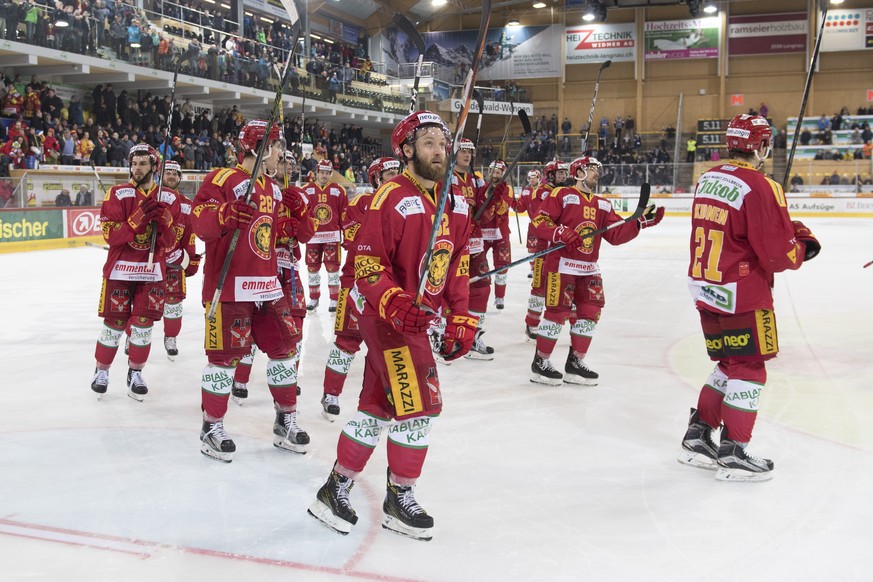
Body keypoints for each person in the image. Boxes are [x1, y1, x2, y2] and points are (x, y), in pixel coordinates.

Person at [308, 111, 475, 541]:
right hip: (388, 321)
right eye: (429, 143)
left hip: (417, 321)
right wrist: (395, 303)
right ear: (405, 151)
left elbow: (456, 266)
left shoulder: (455, 201)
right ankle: (400, 496)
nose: (440, 150)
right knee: (421, 407)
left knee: (378, 407)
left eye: (443, 143)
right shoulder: (391, 197)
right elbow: (366, 265)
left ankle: (335, 488)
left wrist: (460, 316)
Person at [678, 114, 820, 482]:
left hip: (706, 287)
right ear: (759, 145)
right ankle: (734, 452)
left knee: (728, 362)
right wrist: (801, 246)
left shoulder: (708, 178)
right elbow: (777, 255)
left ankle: (697, 436)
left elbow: (739, 226)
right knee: (750, 366)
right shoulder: (761, 186)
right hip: (742, 292)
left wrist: (780, 221)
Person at [191, 120, 309, 463]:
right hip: (228, 289)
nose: (280, 157)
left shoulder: (272, 188)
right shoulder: (222, 179)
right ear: (259, 148)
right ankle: (211, 426)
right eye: (275, 149)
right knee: (224, 359)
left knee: (286, 350)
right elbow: (200, 222)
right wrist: (224, 214)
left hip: (267, 286)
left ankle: (285, 419)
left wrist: (294, 219)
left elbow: (269, 239)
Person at [529, 156, 665, 385]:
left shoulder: (603, 203)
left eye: (598, 170)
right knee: (557, 313)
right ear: (578, 172)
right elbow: (539, 221)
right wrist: (561, 233)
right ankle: (541, 361)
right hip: (561, 265)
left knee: (591, 312)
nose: (597, 173)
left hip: (589, 267)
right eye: (592, 169)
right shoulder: (560, 195)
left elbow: (615, 235)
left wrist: (640, 222)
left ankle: (575, 362)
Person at [89, 144, 179, 401]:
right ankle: (102, 370)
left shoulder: (166, 198)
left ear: (154, 166)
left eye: (142, 163)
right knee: (113, 325)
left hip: (151, 273)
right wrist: (136, 219)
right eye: (134, 163)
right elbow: (111, 236)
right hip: (120, 270)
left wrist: (165, 225)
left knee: (142, 327)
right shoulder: (117, 194)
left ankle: (136, 372)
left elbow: (171, 242)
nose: (137, 168)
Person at [230, 151, 317, 405]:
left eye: (290, 163)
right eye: (281, 161)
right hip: (260, 267)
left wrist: (300, 213)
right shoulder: (254, 188)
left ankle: (290, 376)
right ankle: (240, 379)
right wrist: (280, 230)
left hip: (288, 267)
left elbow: (307, 234)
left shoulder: (298, 194)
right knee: (252, 324)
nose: (286, 167)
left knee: (295, 324)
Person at [320, 156, 400, 422]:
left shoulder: (406, 204)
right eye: (390, 174)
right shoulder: (360, 204)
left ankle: (387, 397)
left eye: (398, 172)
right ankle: (331, 393)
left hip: (391, 290)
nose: (396, 177)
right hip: (356, 285)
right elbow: (360, 244)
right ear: (377, 178)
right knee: (346, 342)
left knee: (389, 346)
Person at [521, 161, 567, 341]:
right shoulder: (543, 192)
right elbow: (539, 220)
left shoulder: (565, 191)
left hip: (560, 248)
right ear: (550, 175)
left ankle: (563, 321)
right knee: (539, 287)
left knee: (561, 286)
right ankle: (531, 323)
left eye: (564, 173)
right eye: (560, 173)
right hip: (544, 247)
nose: (563, 176)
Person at [159, 161, 199, 359]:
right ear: (160, 175)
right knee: (140, 302)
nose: (172, 176)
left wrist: (191, 259)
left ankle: (171, 337)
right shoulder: (149, 197)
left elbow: (189, 235)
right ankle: (133, 337)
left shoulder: (187, 205)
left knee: (173, 302)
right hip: (149, 262)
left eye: (175, 173)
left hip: (174, 260)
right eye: (168, 173)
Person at [303, 158, 348, 312]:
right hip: (313, 236)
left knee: (332, 268)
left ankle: (334, 300)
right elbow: (301, 214)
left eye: (327, 173)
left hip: (332, 236)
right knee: (312, 268)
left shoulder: (339, 190)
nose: (324, 175)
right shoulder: (306, 190)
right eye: (321, 172)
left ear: (331, 174)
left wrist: (347, 235)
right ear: (317, 172)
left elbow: (344, 214)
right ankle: (314, 298)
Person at [477, 159, 513, 313]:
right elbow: (480, 208)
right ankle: (477, 296)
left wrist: (496, 197)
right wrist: (488, 195)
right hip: (482, 234)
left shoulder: (508, 189)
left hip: (501, 234)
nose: (495, 175)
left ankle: (500, 297)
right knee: (478, 267)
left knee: (502, 267)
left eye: (498, 172)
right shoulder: (483, 187)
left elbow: (502, 208)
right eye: (493, 171)